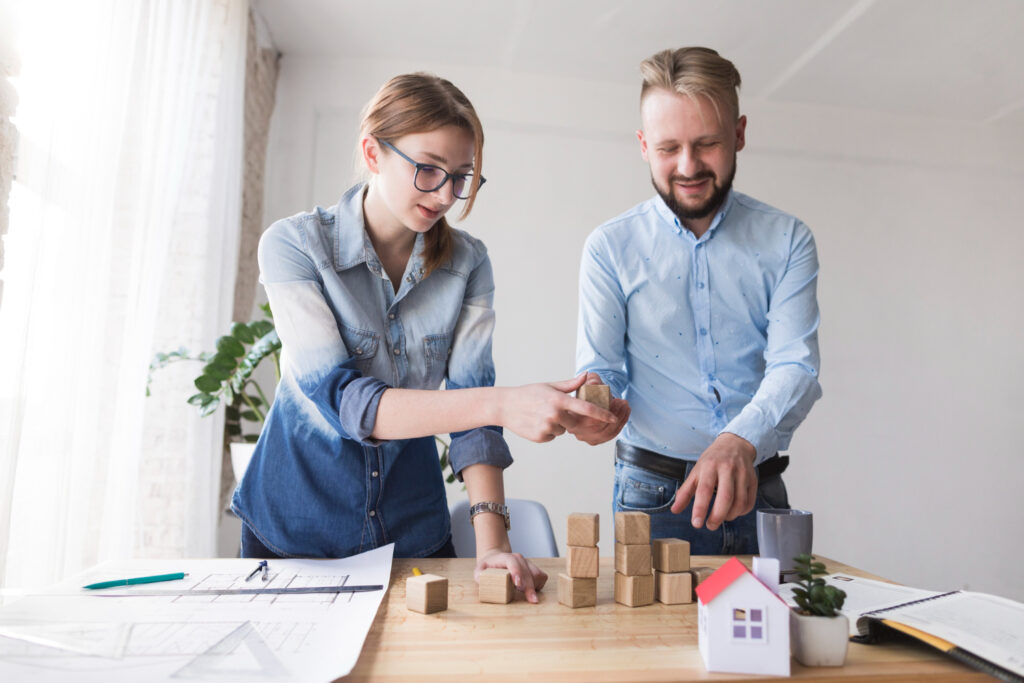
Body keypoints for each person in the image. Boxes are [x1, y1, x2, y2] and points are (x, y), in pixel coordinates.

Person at [232, 73, 619, 602]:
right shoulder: (295, 246)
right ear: (373, 152)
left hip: (411, 530)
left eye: (461, 177)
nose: (445, 195)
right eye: (428, 170)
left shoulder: (468, 264)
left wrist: (492, 547)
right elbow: (346, 402)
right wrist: (504, 404)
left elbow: (475, 423)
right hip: (294, 529)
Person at [573, 47, 822, 554]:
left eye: (707, 144)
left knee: (770, 631)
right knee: (650, 635)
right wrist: (594, 403)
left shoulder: (788, 239)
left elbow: (796, 365)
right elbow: (602, 368)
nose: (688, 167)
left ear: (739, 134)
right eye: (669, 148)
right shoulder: (609, 246)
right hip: (653, 497)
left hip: (759, 490)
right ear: (643, 145)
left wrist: (739, 440)